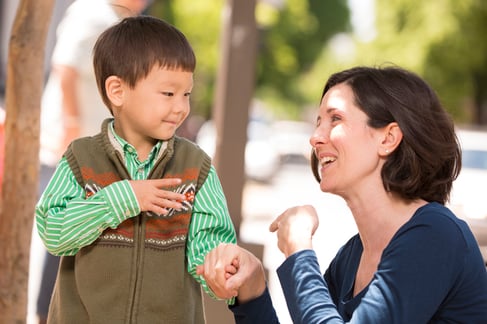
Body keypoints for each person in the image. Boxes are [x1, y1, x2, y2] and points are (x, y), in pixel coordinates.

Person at [197, 66, 487, 323]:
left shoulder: (435, 235)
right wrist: (253, 289)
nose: (315, 137)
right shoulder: (353, 255)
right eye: (318, 122)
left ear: (387, 138)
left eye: (335, 119)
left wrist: (299, 249)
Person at [35, 15, 237, 323]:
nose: (182, 107)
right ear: (117, 91)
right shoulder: (81, 158)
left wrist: (220, 273)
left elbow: (210, 244)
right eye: (168, 94)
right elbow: (54, 231)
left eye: (186, 94)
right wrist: (122, 198)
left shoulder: (195, 168)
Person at [35, 1, 150, 323]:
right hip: (73, 147)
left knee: (91, 233)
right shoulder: (92, 12)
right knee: (64, 232)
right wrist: (71, 126)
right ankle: (47, 313)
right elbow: (65, 66)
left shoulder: (125, 19)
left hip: (100, 153)